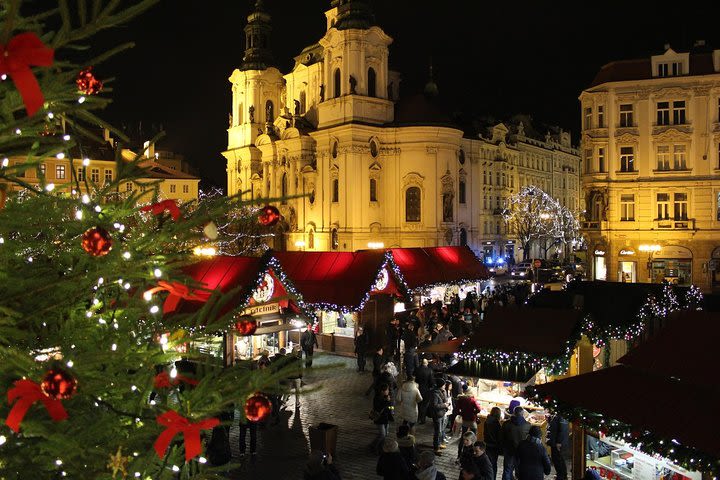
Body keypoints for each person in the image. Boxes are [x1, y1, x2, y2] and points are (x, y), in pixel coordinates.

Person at [501, 407, 531, 480]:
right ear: (522, 413)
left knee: (507, 470)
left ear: (514, 413)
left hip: (509, 449)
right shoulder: (528, 425)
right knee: (520, 470)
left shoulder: (506, 424)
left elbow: (502, 437)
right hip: (522, 451)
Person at [455, 385, 480, 457]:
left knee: (463, 437)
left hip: (464, 420)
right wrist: (473, 412)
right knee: (473, 438)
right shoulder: (472, 400)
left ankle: (459, 455)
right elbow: (478, 409)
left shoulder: (461, 399)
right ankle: (472, 454)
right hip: (472, 421)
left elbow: (457, 409)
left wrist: (462, 413)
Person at [370, 383, 394, 454]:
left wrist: (392, 410)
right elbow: (378, 408)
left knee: (385, 434)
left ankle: (381, 447)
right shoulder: (377, 398)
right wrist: (387, 401)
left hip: (386, 417)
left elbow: (390, 406)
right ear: (382, 391)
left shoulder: (387, 397)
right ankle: (373, 445)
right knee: (382, 434)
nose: (388, 391)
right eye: (387, 390)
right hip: (379, 418)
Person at [429, 378, 449, 454]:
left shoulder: (443, 391)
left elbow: (445, 400)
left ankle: (439, 444)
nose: (445, 386)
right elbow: (434, 405)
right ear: (441, 385)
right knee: (438, 431)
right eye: (444, 385)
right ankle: (436, 447)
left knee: (442, 430)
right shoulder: (435, 393)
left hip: (442, 413)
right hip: (437, 415)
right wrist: (444, 405)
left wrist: (446, 403)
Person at [483, 407, 502, 480]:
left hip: (487, 444)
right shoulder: (496, 424)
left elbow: (485, 433)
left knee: (488, 463)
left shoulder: (486, 421)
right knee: (493, 464)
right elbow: (499, 437)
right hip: (494, 446)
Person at [548, 413, 569, 480]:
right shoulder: (557, 415)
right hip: (555, 441)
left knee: (558, 459)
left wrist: (559, 442)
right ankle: (562, 475)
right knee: (558, 459)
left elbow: (562, 429)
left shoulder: (561, 416)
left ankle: (561, 476)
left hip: (558, 443)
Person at [414, 358, 435, 424]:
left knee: (418, 404)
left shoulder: (417, 369)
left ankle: (418, 418)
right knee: (424, 405)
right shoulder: (429, 370)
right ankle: (422, 419)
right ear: (427, 363)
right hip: (426, 390)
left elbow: (414, 378)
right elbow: (431, 382)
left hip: (417, 388)